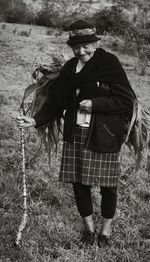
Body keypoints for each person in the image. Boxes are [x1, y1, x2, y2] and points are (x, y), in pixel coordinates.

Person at [17, 20, 135, 247]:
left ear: (95, 42)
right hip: (76, 132)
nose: (81, 51)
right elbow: (56, 101)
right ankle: (89, 228)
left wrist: (94, 103)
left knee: (108, 185)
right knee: (78, 182)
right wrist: (35, 120)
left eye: (86, 45)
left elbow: (125, 101)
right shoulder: (70, 67)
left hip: (104, 133)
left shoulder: (109, 63)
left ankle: (106, 231)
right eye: (76, 47)